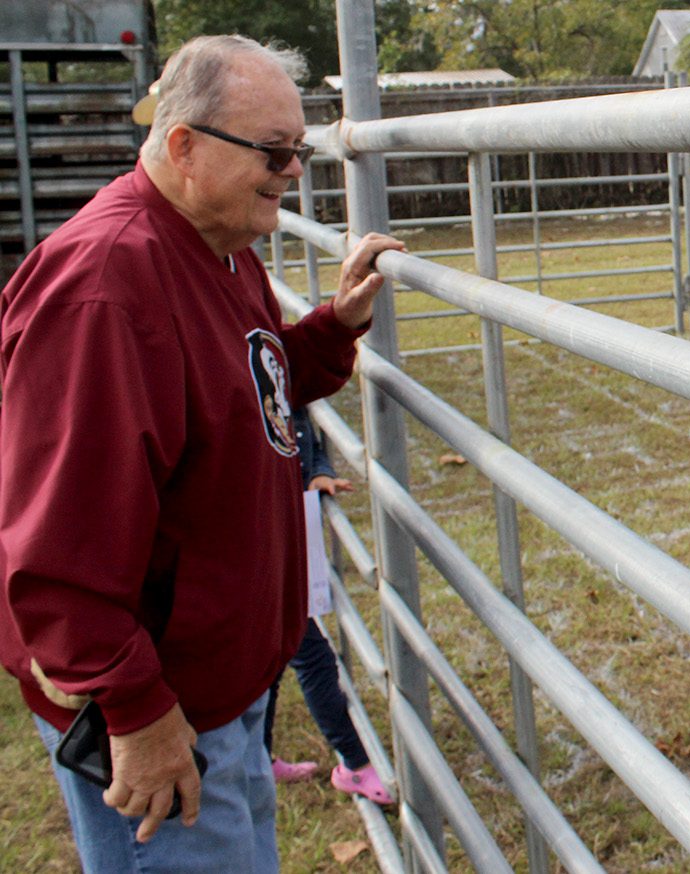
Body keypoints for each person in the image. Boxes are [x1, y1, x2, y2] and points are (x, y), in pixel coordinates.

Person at [0, 34, 405, 873]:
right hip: (161, 714)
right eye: (275, 151)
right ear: (183, 145)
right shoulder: (107, 288)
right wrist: (137, 715)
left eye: (299, 150)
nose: (294, 170)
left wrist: (333, 327)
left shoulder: (216, 250)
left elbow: (248, 382)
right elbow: (58, 544)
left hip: (216, 694)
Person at [265, 408, 394, 805]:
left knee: (273, 656)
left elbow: (297, 422)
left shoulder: (268, 358)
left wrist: (316, 466)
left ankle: (259, 756)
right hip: (261, 529)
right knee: (310, 653)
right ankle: (355, 762)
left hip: (282, 521)